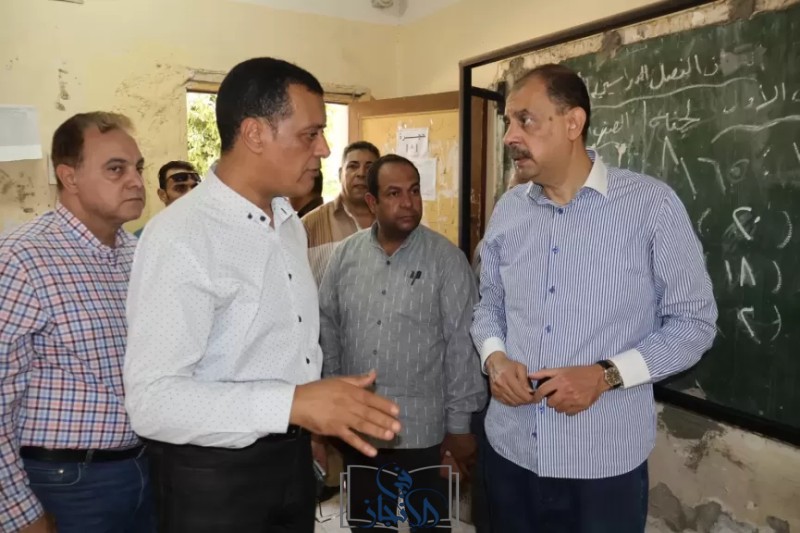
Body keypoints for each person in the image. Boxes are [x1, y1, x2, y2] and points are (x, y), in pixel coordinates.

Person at [123, 57, 401, 533]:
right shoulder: (182, 235)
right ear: (254, 134)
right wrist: (293, 403)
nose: (323, 148)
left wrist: (308, 423)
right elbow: (153, 401)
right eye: (310, 134)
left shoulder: (287, 223)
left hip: (290, 460)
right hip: (214, 479)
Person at [471, 63, 718, 533]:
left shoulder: (651, 206)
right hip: (510, 450)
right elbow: (489, 306)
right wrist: (495, 358)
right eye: (507, 122)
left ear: (573, 123)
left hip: (603, 464)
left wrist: (606, 376)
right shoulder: (509, 210)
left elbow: (694, 324)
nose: (509, 137)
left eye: (525, 120)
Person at [0, 112, 154, 533]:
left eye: (138, 168)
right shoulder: (22, 258)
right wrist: (18, 512)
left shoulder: (137, 255)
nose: (135, 181)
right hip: (66, 483)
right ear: (69, 177)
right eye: (116, 169)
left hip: (145, 470)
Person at [319, 154, 487, 531]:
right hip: (362, 429)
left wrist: (459, 427)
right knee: (369, 525)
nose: (408, 202)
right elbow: (328, 330)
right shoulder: (344, 257)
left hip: (425, 434)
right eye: (394, 193)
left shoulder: (446, 260)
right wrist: (335, 402)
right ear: (373, 202)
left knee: (428, 526)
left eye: (414, 191)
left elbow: (462, 346)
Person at [304, 141, 380, 284]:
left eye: (369, 168)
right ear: (340, 174)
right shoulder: (309, 226)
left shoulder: (392, 222)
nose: (361, 173)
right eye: (353, 166)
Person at [133, 161, 200, 237]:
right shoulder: (144, 238)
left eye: (195, 188)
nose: (191, 193)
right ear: (162, 195)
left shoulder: (208, 229)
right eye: (180, 188)